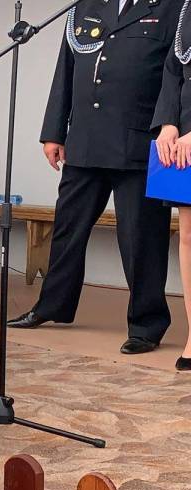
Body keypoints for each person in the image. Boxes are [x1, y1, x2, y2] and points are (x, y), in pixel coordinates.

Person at [8, 0, 180, 356]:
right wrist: (53, 132)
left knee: (142, 240)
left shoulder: (172, 7)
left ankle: (146, 325)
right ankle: (52, 305)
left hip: (139, 141)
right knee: (68, 228)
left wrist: (170, 125)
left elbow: (174, 75)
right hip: (85, 140)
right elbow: (67, 69)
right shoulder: (85, 5)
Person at [151, 0, 191, 371]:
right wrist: (168, 123)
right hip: (184, 142)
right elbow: (173, 69)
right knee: (189, 237)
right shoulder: (186, 8)